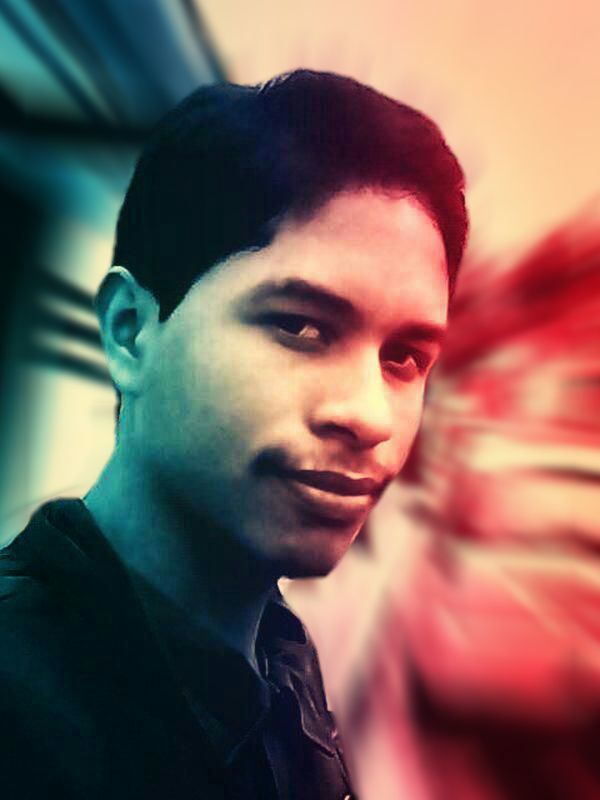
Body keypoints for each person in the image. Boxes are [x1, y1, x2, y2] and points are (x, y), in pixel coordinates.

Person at [0, 69, 467, 799]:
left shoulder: (281, 660)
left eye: (403, 357)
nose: (370, 417)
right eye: (301, 327)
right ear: (130, 331)